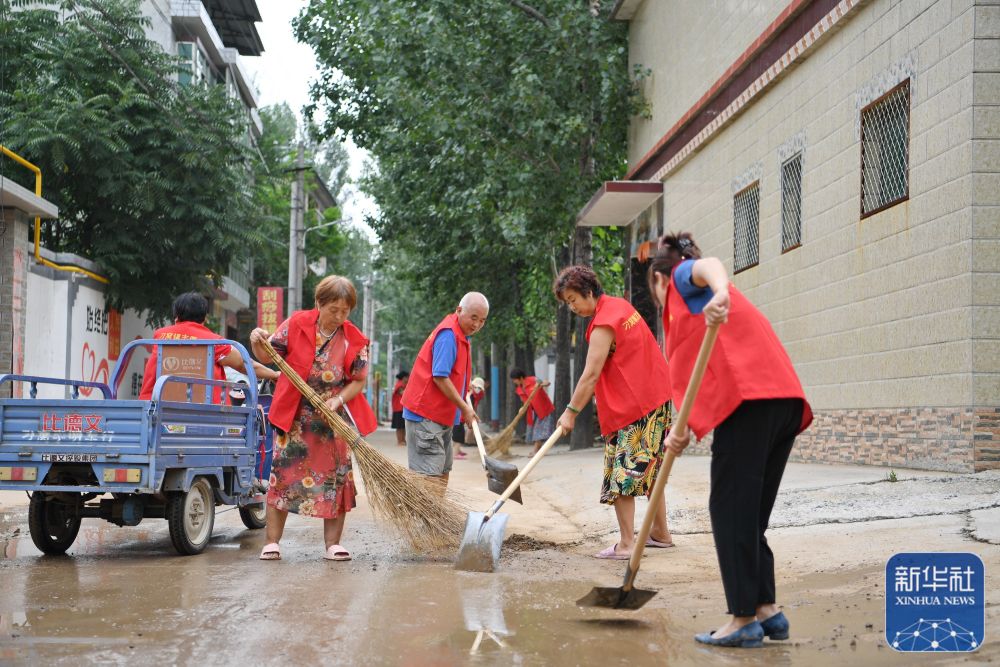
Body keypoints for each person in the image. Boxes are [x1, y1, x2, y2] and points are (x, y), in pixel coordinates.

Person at [649, 232, 813, 648]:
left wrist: (720, 290)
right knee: (750, 514)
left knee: (728, 509)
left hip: (752, 402)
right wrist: (679, 432)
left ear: (657, 278)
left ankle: (741, 620)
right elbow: (696, 378)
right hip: (781, 401)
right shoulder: (688, 319)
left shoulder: (683, 280)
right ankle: (765, 610)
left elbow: (709, 266)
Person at [248, 276, 377, 562]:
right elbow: (268, 355)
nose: (340, 316)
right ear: (319, 303)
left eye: (346, 311)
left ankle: (332, 544)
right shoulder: (296, 324)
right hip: (294, 417)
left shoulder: (353, 338)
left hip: (331, 421)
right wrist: (257, 340)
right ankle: (272, 542)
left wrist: (337, 400)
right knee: (282, 477)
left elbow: (358, 380)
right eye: (334, 310)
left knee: (335, 481)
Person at [552, 266, 674, 560]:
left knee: (623, 476)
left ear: (589, 293)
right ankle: (660, 533)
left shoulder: (604, 323)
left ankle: (627, 544)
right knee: (651, 470)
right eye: (568, 302)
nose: (572, 307)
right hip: (657, 400)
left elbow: (590, 374)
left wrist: (570, 413)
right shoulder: (621, 307)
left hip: (635, 408)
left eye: (573, 300)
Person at [401, 292, 489, 488]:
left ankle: (435, 518)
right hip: (425, 415)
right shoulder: (448, 335)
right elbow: (440, 377)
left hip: (441, 416)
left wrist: (465, 404)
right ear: (459, 310)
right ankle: (425, 519)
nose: (476, 325)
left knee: (442, 472)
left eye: (482, 321)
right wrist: (465, 409)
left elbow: (455, 376)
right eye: (473, 317)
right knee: (428, 477)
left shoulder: (461, 336)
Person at [139, 292, 278, 401]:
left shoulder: (160, 336)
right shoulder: (213, 341)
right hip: (203, 414)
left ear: (176, 317)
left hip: (151, 408)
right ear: (205, 318)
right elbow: (245, 365)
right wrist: (275, 375)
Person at [509, 368, 555, 454]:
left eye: (514, 379)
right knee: (537, 430)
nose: (514, 382)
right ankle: (539, 451)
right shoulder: (519, 389)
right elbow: (525, 402)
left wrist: (540, 384)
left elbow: (547, 382)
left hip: (544, 409)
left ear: (521, 377)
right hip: (533, 412)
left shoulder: (533, 380)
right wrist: (522, 408)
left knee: (538, 430)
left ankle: (535, 451)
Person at [391, 371, 409, 446]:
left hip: (403, 408)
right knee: (399, 426)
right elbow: (403, 393)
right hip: (398, 409)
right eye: (408, 377)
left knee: (403, 426)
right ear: (404, 377)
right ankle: (400, 441)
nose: (409, 378)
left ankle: (403, 440)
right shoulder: (400, 385)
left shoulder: (404, 384)